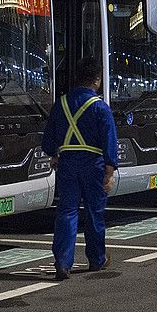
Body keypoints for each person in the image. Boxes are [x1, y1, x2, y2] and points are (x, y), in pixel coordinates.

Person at [42, 57, 118, 280]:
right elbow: (109, 140)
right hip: (93, 165)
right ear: (96, 80)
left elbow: (48, 141)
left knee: (66, 211)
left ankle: (63, 262)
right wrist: (110, 172)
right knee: (95, 213)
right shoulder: (100, 107)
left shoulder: (61, 104)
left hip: (67, 165)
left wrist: (54, 155)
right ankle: (97, 259)